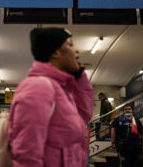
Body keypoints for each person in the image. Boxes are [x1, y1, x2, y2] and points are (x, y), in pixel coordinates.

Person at [8, 27, 94, 166]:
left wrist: (79, 77)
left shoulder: (62, 90)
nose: (77, 51)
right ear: (55, 52)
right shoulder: (38, 88)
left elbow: (84, 115)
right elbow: (27, 155)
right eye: (71, 44)